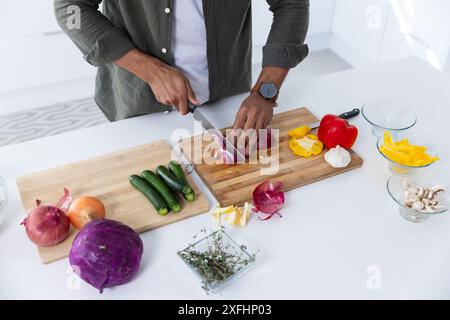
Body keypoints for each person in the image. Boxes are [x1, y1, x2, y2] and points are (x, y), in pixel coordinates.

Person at [54, 0, 309, 133]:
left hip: (229, 106)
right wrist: (151, 71)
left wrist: (266, 91)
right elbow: (71, 8)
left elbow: (291, 5)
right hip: (139, 107)